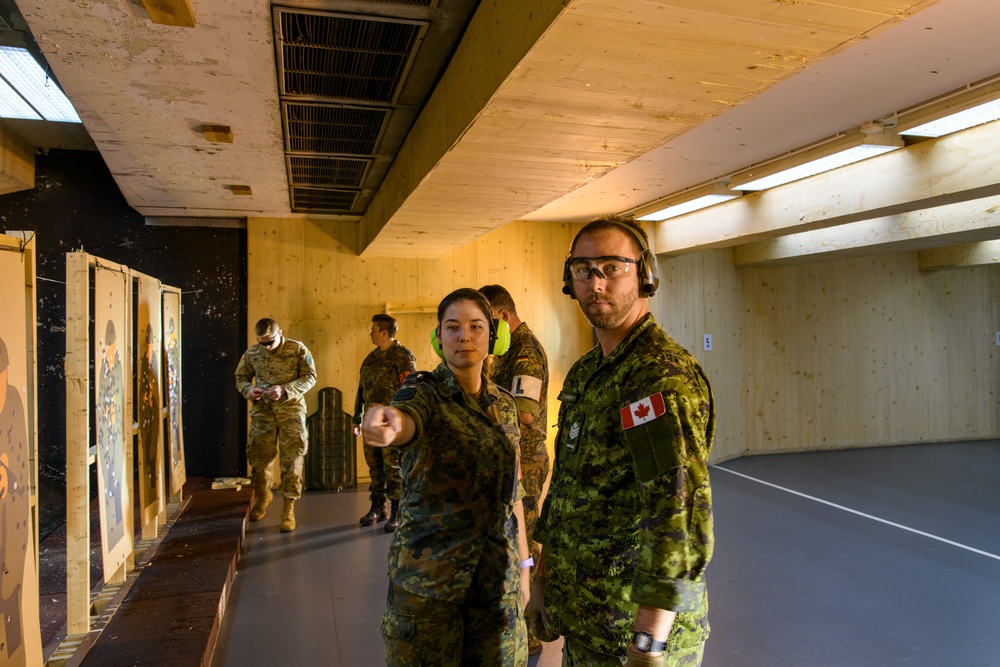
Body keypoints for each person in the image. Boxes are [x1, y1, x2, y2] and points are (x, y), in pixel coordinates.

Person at [531, 216, 716, 667]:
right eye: (582, 269)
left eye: (612, 267)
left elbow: (678, 511)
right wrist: (544, 579)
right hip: (588, 620)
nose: (596, 282)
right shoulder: (587, 372)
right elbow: (568, 486)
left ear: (644, 275)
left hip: (633, 634)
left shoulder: (658, 377)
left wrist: (649, 640)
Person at [363, 288, 531, 667]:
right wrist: (390, 424)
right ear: (439, 339)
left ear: (493, 335)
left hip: (496, 583)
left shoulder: (504, 403)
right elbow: (407, 418)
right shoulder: (421, 392)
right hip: (430, 587)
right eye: (452, 327)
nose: (464, 336)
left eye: (475, 326)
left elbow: (513, 495)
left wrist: (524, 568)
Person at [478, 284, 550, 657]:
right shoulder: (504, 351)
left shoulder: (524, 352)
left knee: (528, 542)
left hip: (527, 461)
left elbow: (523, 413)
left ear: (502, 316)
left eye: (485, 322)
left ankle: (531, 627)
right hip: (511, 458)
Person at [235, 318, 317, 532]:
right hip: (263, 413)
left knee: (292, 462)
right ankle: (263, 495)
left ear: (280, 332)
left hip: (291, 412)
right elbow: (241, 377)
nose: (267, 347)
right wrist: (248, 390)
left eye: (270, 342)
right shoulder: (252, 353)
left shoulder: (297, 349)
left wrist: (286, 389)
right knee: (259, 460)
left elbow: (310, 377)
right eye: (262, 343)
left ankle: (288, 508)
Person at [353, 314, 417, 532]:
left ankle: (398, 509)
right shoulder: (370, 358)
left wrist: (390, 408)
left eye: (373, 329)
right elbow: (362, 390)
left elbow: (410, 391)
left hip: (391, 424)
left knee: (393, 468)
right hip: (370, 422)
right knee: (375, 467)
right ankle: (378, 507)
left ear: (384, 332)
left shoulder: (402, 357)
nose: (370, 333)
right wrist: (356, 418)